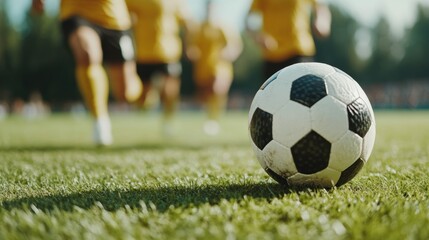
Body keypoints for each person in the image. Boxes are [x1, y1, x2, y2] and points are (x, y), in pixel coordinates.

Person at [32, 0, 144, 146]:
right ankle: (100, 120)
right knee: (87, 54)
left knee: (125, 93)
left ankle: (147, 89)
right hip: (77, 12)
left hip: (116, 20)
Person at [125, 0, 194, 136]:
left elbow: (188, 24)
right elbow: (124, 18)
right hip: (143, 54)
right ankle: (153, 95)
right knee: (143, 101)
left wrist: (188, 46)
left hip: (168, 53)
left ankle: (168, 122)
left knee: (170, 92)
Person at [186, 0, 243, 135]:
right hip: (203, 68)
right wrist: (192, 52)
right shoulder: (198, 28)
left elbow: (235, 46)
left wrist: (229, 52)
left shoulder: (223, 27)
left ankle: (214, 120)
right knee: (206, 96)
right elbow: (191, 46)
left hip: (221, 67)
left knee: (218, 89)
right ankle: (210, 119)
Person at [246, 0, 331, 80]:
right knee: (274, 94)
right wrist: (258, 37)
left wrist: (321, 22)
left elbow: (321, 7)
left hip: (299, 49)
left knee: (303, 93)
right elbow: (249, 21)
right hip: (272, 54)